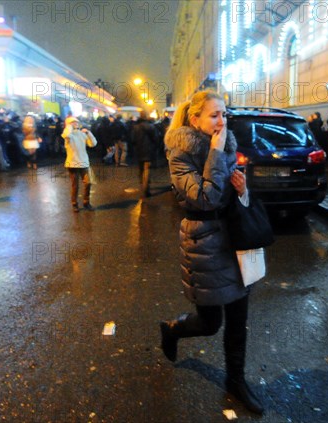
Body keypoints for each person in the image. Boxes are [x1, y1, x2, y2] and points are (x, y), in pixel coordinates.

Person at [159, 91, 263, 414]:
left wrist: (243, 190)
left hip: (234, 240)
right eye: (215, 115)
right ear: (195, 120)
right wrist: (216, 154)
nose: (222, 121)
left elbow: (227, 196)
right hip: (203, 243)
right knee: (210, 322)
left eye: (224, 114)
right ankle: (174, 329)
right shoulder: (180, 156)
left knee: (238, 318)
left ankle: (236, 381)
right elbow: (204, 199)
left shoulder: (226, 144)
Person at [62, 117, 97, 212]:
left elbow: (93, 144)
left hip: (84, 162)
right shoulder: (68, 136)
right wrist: (69, 126)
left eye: (76, 122)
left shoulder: (82, 134)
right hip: (72, 164)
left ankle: (86, 202)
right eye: (73, 122)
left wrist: (88, 133)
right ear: (68, 124)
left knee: (88, 183)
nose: (75, 123)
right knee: (75, 185)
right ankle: (74, 204)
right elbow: (66, 134)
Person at [131, 111, 158, 199]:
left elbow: (133, 140)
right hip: (148, 151)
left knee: (141, 169)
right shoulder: (151, 126)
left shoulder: (135, 127)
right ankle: (146, 189)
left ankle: (142, 184)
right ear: (146, 116)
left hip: (139, 151)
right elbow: (155, 138)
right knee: (147, 169)